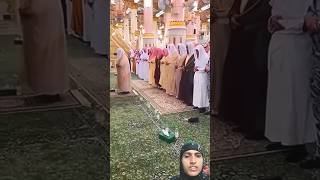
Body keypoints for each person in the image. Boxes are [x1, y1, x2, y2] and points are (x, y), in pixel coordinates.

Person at [265, 0, 316, 162]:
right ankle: (281, 137)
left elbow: (309, 22)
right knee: (278, 96)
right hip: (278, 44)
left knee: (294, 97)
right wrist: (272, 22)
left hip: (296, 45)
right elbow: (275, 14)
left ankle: (297, 142)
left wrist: (287, 23)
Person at [19, 0, 68, 103]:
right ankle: (52, 89)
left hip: (40, 10)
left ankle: (49, 90)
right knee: (52, 50)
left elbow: (26, 8)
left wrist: (23, 6)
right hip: (49, 9)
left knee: (43, 51)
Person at [212, 0, 235, 116]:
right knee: (217, 69)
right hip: (219, 30)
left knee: (220, 68)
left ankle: (218, 105)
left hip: (226, 31)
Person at [193, 45, 209, 113]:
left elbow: (207, 69)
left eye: (198, 51)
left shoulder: (206, 57)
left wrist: (200, 68)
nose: (197, 53)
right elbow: (194, 69)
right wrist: (195, 68)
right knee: (196, 91)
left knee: (202, 91)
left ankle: (202, 106)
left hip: (202, 76)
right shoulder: (197, 57)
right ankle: (197, 104)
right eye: (196, 51)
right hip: (197, 76)